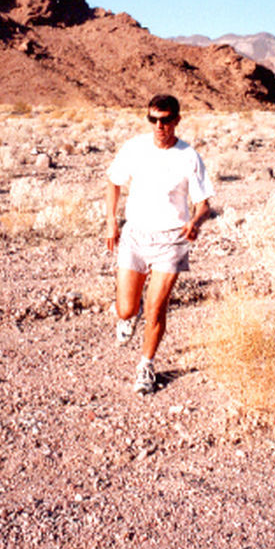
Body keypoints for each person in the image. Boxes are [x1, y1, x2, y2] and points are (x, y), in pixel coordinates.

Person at [105, 94, 214, 394]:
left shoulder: (188, 156)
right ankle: (130, 315)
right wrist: (111, 221)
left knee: (156, 309)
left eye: (166, 120)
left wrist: (196, 221)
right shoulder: (134, 148)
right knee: (126, 309)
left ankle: (146, 366)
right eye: (153, 119)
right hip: (135, 235)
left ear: (177, 120)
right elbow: (114, 181)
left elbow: (204, 204)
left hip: (171, 240)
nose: (159, 126)